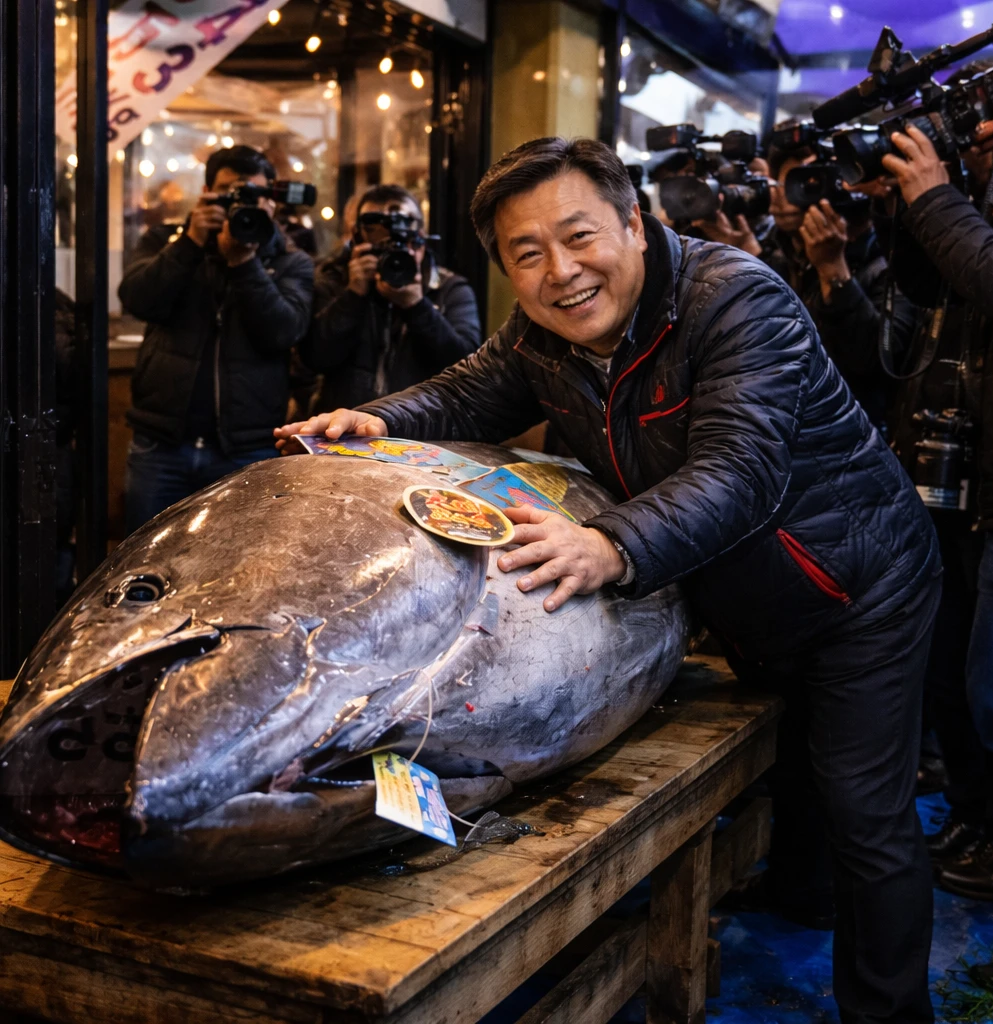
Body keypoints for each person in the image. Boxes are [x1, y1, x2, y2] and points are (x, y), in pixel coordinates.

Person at [277, 137, 942, 1023]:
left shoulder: (736, 298)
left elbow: (741, 471)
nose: (560, 272)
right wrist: (375, 421)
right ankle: (802, 899)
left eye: (578, 236)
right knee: (800, 771)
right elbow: (465, 396)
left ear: (634, 220)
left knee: (867, 814)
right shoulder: (543, 333)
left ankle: (892, 1012)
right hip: (743, 592)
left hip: (858, 586)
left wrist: (609, 545)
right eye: (527, 254)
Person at [882, 93, 993, 987]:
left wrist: (938, 197)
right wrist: (915, 206)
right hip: (984, 486)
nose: (983, 127)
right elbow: (934, 293)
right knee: (974, 690)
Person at [119, 144, 314, 533]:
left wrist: (245, 263)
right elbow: (137, 300)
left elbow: (284, 332)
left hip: (247, 449)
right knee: (143, 556)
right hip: (162, 444)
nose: (244, 205)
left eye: (255, 195)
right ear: (207, 193)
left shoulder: (291, 261)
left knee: (239, 560)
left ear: (272, 203)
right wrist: (190, 242)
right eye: (231, 193)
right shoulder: (166, 241)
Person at [762, 140, 918, 432]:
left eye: (801, 182)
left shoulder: (891, 258)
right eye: (778, 183)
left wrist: (833, 270)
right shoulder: (784, 254)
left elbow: (879, 362)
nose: (779, 196)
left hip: (856, 431)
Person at [301, 185, 481, 413]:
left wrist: (416, 306)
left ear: (421, 237)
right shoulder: (336, 280)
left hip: (422, 426)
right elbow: (314, 359)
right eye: (380, 243)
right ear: (357, 238)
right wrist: (353, 295)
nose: (393, 252)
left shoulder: (449, 289)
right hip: (344, 425)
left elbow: (466, 370)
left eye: (403, 240)